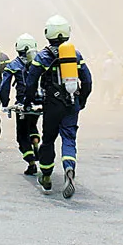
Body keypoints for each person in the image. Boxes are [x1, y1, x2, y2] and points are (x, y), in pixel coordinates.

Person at [24, 15, 93, 199]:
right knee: (69, 138)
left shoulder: (42, 56)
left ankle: (46, 176)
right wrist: (82, 100)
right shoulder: (76, 56)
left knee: (48, 140)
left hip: (52, 105)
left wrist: (30, 100)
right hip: (72, 104)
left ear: (47, 33)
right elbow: (87, 80)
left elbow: (31, 81)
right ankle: (69, 169)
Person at [0, 33, 44, 175]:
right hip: (39, 101)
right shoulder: (41, 62)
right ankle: (36, 141)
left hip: (23, 104)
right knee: (33, 125)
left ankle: (31, 163)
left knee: (22, 134)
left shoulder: (13, 65)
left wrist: (5, 103)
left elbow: (4, 86)